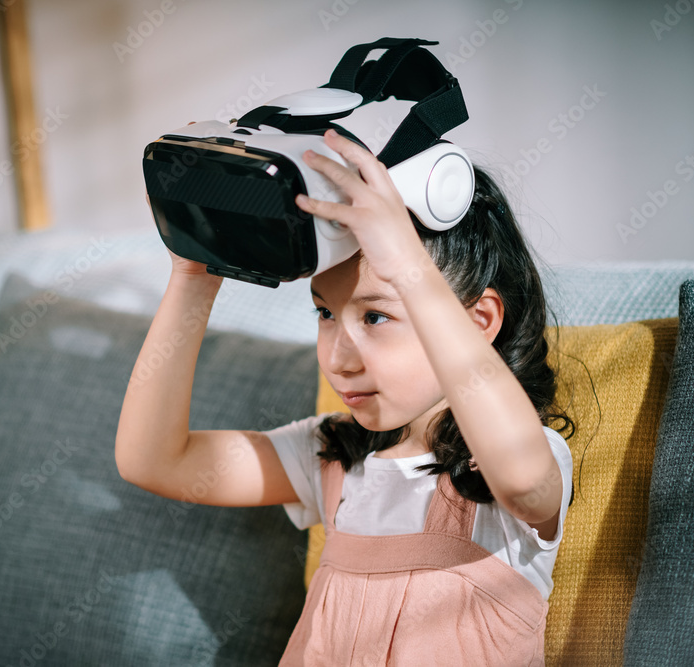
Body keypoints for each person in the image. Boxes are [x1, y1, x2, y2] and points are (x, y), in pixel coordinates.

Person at [116, 128, 575, 666]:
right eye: (325, 314)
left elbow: (522, 480)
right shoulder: (330, 456)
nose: (339, 357)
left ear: (479, 322)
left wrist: (409, 266)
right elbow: (154, 460)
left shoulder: (515, 465)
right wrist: (193, 274)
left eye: (377, 316)